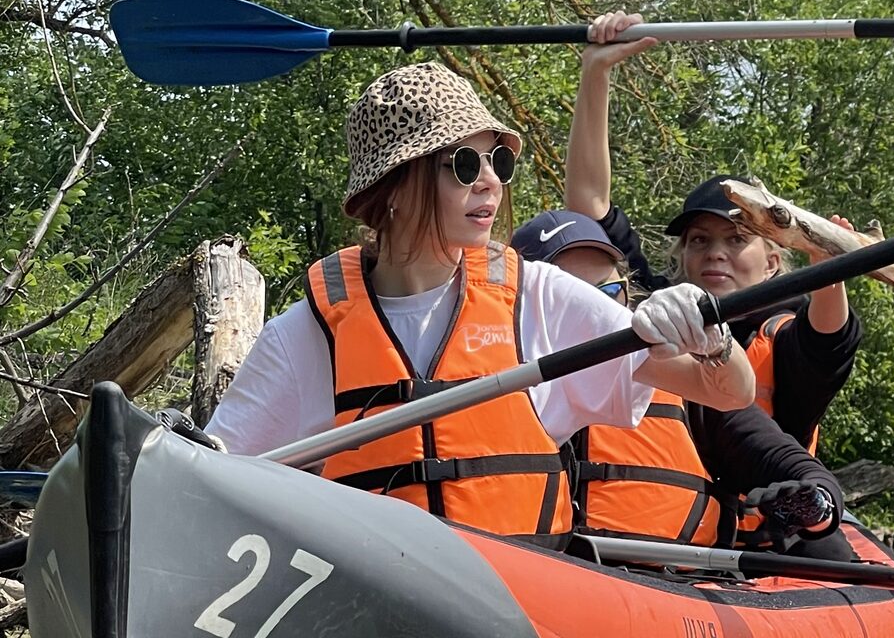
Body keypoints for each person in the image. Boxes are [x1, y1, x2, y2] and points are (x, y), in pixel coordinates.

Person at [208, 62, 757, 542]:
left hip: (529, 612)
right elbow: (211, 477)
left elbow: (729, 391)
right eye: (465, 166)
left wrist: (712, 340)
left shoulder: (539, 298)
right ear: (396, 187)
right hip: (379, 616)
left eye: (497, 162)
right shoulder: (305, 335)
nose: (491, 182)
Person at [560, 11, 861, 452]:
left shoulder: (787, 336)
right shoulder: (656, 307)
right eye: (700, 240)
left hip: (752, 516)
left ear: (774, 262)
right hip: (638, 516)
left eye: (737, 239)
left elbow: (829, 336)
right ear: (682, 258)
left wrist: (827, 273)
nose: (715, 252)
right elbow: (589, 207)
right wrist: (595, 71)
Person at [508, 207, 849, 553]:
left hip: (674, 584)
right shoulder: (492, 391)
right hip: (546, 575)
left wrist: (813, 498)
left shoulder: (686, 382)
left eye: (608, 292)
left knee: (828, 550)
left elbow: (782, 457)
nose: (594, 313)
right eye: (572, 299)